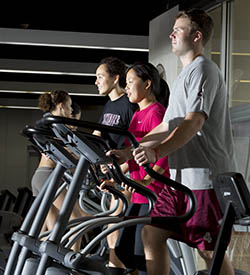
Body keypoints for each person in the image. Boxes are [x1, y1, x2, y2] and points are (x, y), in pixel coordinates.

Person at [107, 9, 237, 275]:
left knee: (208, 250)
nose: (171, 34)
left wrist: (156, 152)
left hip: (204, 179)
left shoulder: (204, 70)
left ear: (197, 35)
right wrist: (129, 153)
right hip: (179, 181)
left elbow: (194, 122)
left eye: (178, 29)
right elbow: (168, 125)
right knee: (152, 234)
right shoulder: (183, 75)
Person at [101, 62, 170, 275]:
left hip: (155, 193)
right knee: (124, 251)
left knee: (143, 252)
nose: (127, 87)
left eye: (130, 82)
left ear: (147, 84)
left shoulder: (157, 113)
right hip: (139, 193)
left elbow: (165, 153)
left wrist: (147, 181)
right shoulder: (137, 115)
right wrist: (117, 178)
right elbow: (132, 155)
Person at [93, 56, 138, 273]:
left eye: (100, 76)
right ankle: (115, 267)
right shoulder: (110, 105)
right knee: (111, 227)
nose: (96, 81)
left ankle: (116, 268)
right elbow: (98, 135)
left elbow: (138, 143)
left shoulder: (129, 104)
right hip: (111, 173)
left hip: (125, 175)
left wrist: (121, 170)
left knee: (116, 226)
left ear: (115, 78)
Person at [31, 91, 88, 252]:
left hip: (42, 176)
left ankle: (40, 262)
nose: (71, 111)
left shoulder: (51, 124)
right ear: (61, 106)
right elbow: (63, 151)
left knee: (51, 227)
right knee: (78, 219)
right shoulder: (52, 124)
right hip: (49, 176)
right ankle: (72, 261)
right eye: (69, 107)